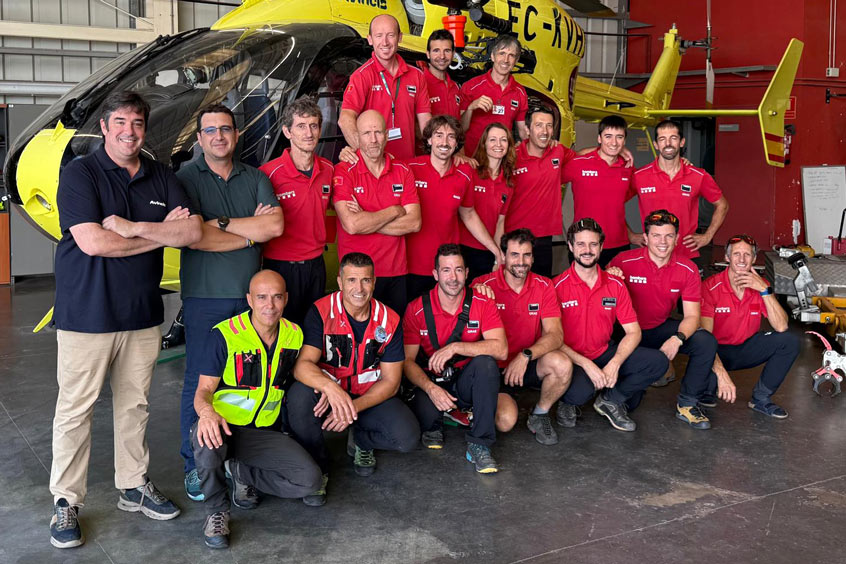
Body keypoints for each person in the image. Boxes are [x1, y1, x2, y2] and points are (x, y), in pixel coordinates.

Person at [49, 91, 202, 549]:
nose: (129, 132)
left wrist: (134, 229)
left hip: (141, 313)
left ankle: (133, 484)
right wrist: (161, 235)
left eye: (136, 123)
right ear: (104, 127)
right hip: (86, 312)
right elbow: (94, 242)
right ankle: (65, 500)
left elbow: (192, 230)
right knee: (76, 410)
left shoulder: (161, 175)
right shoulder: (80, 174)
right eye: (119, 122)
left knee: (135, 405)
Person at [177, 104, 284, 501]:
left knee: (249, 383)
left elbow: (274, 225)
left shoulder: (255, 177)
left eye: (225, 129)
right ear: (199, 138)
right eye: (210, 130)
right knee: (200, 382)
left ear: (236, 135)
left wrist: (219, 224)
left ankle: (240, 465)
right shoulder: (184, 180)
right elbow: (193, 237)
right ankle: (194, 465)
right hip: (204, 296)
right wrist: (250, 234)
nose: (218, 136)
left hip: (251, 302)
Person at [191, 270, 321, 549]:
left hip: (262, 433)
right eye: (261, 297)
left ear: (286, 299)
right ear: (249, 300)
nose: (269, 305)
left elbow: (302, 372)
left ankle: (241, 471)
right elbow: (203, 391)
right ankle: (216, 512)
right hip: (223, 427)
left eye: (276, 297)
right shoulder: (225, 334)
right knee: (206, 440)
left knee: (309, 481)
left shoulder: (294, 335)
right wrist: (207, 414)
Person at [286, 252, 420, 505]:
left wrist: (352, 408)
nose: (359, 289)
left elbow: (391, 382)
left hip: (367, 396)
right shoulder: (321, 311)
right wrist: (331, 389)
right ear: (340, 281)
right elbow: (302, 366)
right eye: (351, 280)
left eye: (365, 280)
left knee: (407, 438)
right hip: (329, 395)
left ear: (374, 282)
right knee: (299, 397)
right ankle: (317, 468)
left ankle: (360, 438)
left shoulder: (389, 320)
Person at [554, 219, 668, 432]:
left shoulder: (615, 284)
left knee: (658, 363)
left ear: (601, 247)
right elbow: (550, 338)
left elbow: (633, 332)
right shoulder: (556, 287)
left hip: (604, 352)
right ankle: (568, 401)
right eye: (581, 244)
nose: (587, 250)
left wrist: (614, 363)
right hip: (572, 359)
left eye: (593, 244)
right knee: (580, 393)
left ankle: (610, 400)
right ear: (570, 246)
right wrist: (587, 365)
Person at [608, 210, 718, 429]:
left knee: (704, 341)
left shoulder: (688, 269)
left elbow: (692, 316)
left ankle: (687, 403)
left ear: (677, 239)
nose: (662, 242)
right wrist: (609, 276)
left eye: (669, 236)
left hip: (657, 328)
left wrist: (677, 338)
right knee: (631, 403)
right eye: (656, 235)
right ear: (645, 238)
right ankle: (613, 393)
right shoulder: (624, 260)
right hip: (625, 333)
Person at [403, 244, 507, 472]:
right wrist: (431, 389)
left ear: (467, 273)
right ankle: (448, 416)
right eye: (446, 270)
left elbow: (501, 350)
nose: (453, 277)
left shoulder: (482, 302)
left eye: (458, 270)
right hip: (431, 383)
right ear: (435, 274)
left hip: (464, 383)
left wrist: (455, 347)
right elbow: (407, 362)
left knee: (486, 364)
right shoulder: (416, 309)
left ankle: (479, 444)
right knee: (425, 422)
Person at [473, 229, 573, 445]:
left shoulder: (544, 286)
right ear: (503, 256)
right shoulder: (482, 286)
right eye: (514, 255)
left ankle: (540, 414)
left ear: (533, 258)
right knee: (505, 422)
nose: (521, 261)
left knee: (562, 363)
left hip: (526, 363)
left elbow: (555, 335)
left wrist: (526, 355)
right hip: (492, 370)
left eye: (526, 255)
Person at [700, 234, 800, 418]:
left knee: (789, 341)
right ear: (727, 257)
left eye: (747, 255)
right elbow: (704, 338)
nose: (742, 259)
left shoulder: (762, 286)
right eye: (736, 254)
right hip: (715, 351)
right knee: (703, 386)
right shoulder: (710, 287)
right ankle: (706, 389)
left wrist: (764, 290)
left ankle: (761, 399)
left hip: (745, 348)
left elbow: (781, 326)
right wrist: (721, 374)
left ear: (754, 259)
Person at [405, 115, 502, 302]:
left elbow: (469, 214)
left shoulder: (464, 174)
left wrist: (495, 249)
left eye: (451, 137)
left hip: (447, 268)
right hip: (412, 265)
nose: (444, 142)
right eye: (439, 135)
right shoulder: (410, 168)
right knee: (413, 317)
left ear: (457, 143)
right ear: (429, 140)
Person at [333, 110, 421, 314]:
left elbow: (414, 223)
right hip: (356, 276)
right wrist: (394, 210)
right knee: (357, 331)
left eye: (378, 132)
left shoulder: (403, 170)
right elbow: (352, 225)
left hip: (395, 272)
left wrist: (367, 218)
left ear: (386, 135)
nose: (373, 140)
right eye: (366, 133)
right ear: (357, 136)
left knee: (394, 329)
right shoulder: (344, 170)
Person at [261, 97, 335, 325]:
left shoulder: (329, 170)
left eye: (313, 126)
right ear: (287, 132)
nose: (308, 133)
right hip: (281, 267)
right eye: (301, 126)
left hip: (316, 265)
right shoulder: (268, 174)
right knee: (283, 331)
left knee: (313, 330)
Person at [631, 119, 729, 262]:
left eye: (673, 138)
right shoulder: (639, 176)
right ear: (656, 144)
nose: (668, 143)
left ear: (682, 142)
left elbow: (722, 205)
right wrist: (631, 235)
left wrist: (707, 236)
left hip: (686, 254)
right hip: (651, 255)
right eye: (662, 139)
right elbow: (614, 203)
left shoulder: (698, 176)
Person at [339, 14, 431, 160]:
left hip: (408, 164)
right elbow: (345, 119)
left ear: (400, 37)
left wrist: (442, 153)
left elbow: (426, 124)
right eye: (379, 36)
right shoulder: (361, 76)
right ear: (370, 39)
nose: (385, 42)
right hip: (376, 168)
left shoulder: (417, 76)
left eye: (390, 35)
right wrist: (367, 155)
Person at [506, 106, 575, 278]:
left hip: (544, 237)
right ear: (527, 129)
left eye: (549, 126)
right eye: (539, 125)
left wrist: (614, 150)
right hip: (515, 237)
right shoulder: (511, 156)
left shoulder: (558, 151)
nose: (545, 131)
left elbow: (583, 158)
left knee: (542, 286)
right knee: (515, 287)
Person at [562, 115, 635, 266]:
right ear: (599, 138)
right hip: (584, 245)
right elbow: (550, 173)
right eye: (608, 136)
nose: (614, 142)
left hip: (618, 246)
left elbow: (615, 208)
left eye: (619, 137)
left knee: (618, 283)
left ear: (624, 141)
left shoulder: (628, 169)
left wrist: (632, 235)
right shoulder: (579, 163)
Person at [459, 122, 516, 277]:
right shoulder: (470, 171)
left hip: (488, 251)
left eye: (503, 140)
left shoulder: (508, 182)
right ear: (484, 143)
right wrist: (495, 250)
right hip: (464, 248)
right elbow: (466, 214)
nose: (498, 144)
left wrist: (498, 257)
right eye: (492, 140)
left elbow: (500, 222)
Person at [459, 34, 529, 156]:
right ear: (492, 56)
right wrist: (471, 107)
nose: (506, 60)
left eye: (511, 55)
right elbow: (460, 129)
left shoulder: (520, 92)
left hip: (499, 160)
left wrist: (545, 143)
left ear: (516, 61)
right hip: (471, 159)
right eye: (502, 53)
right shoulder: (471, 86)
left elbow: (523, 133)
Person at [418, 29, 461, 120]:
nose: (442, 56)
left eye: (447, 51)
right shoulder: (419, 83)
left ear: (453, 54)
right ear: (428, 54)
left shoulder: (455, 87)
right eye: (436, 51)